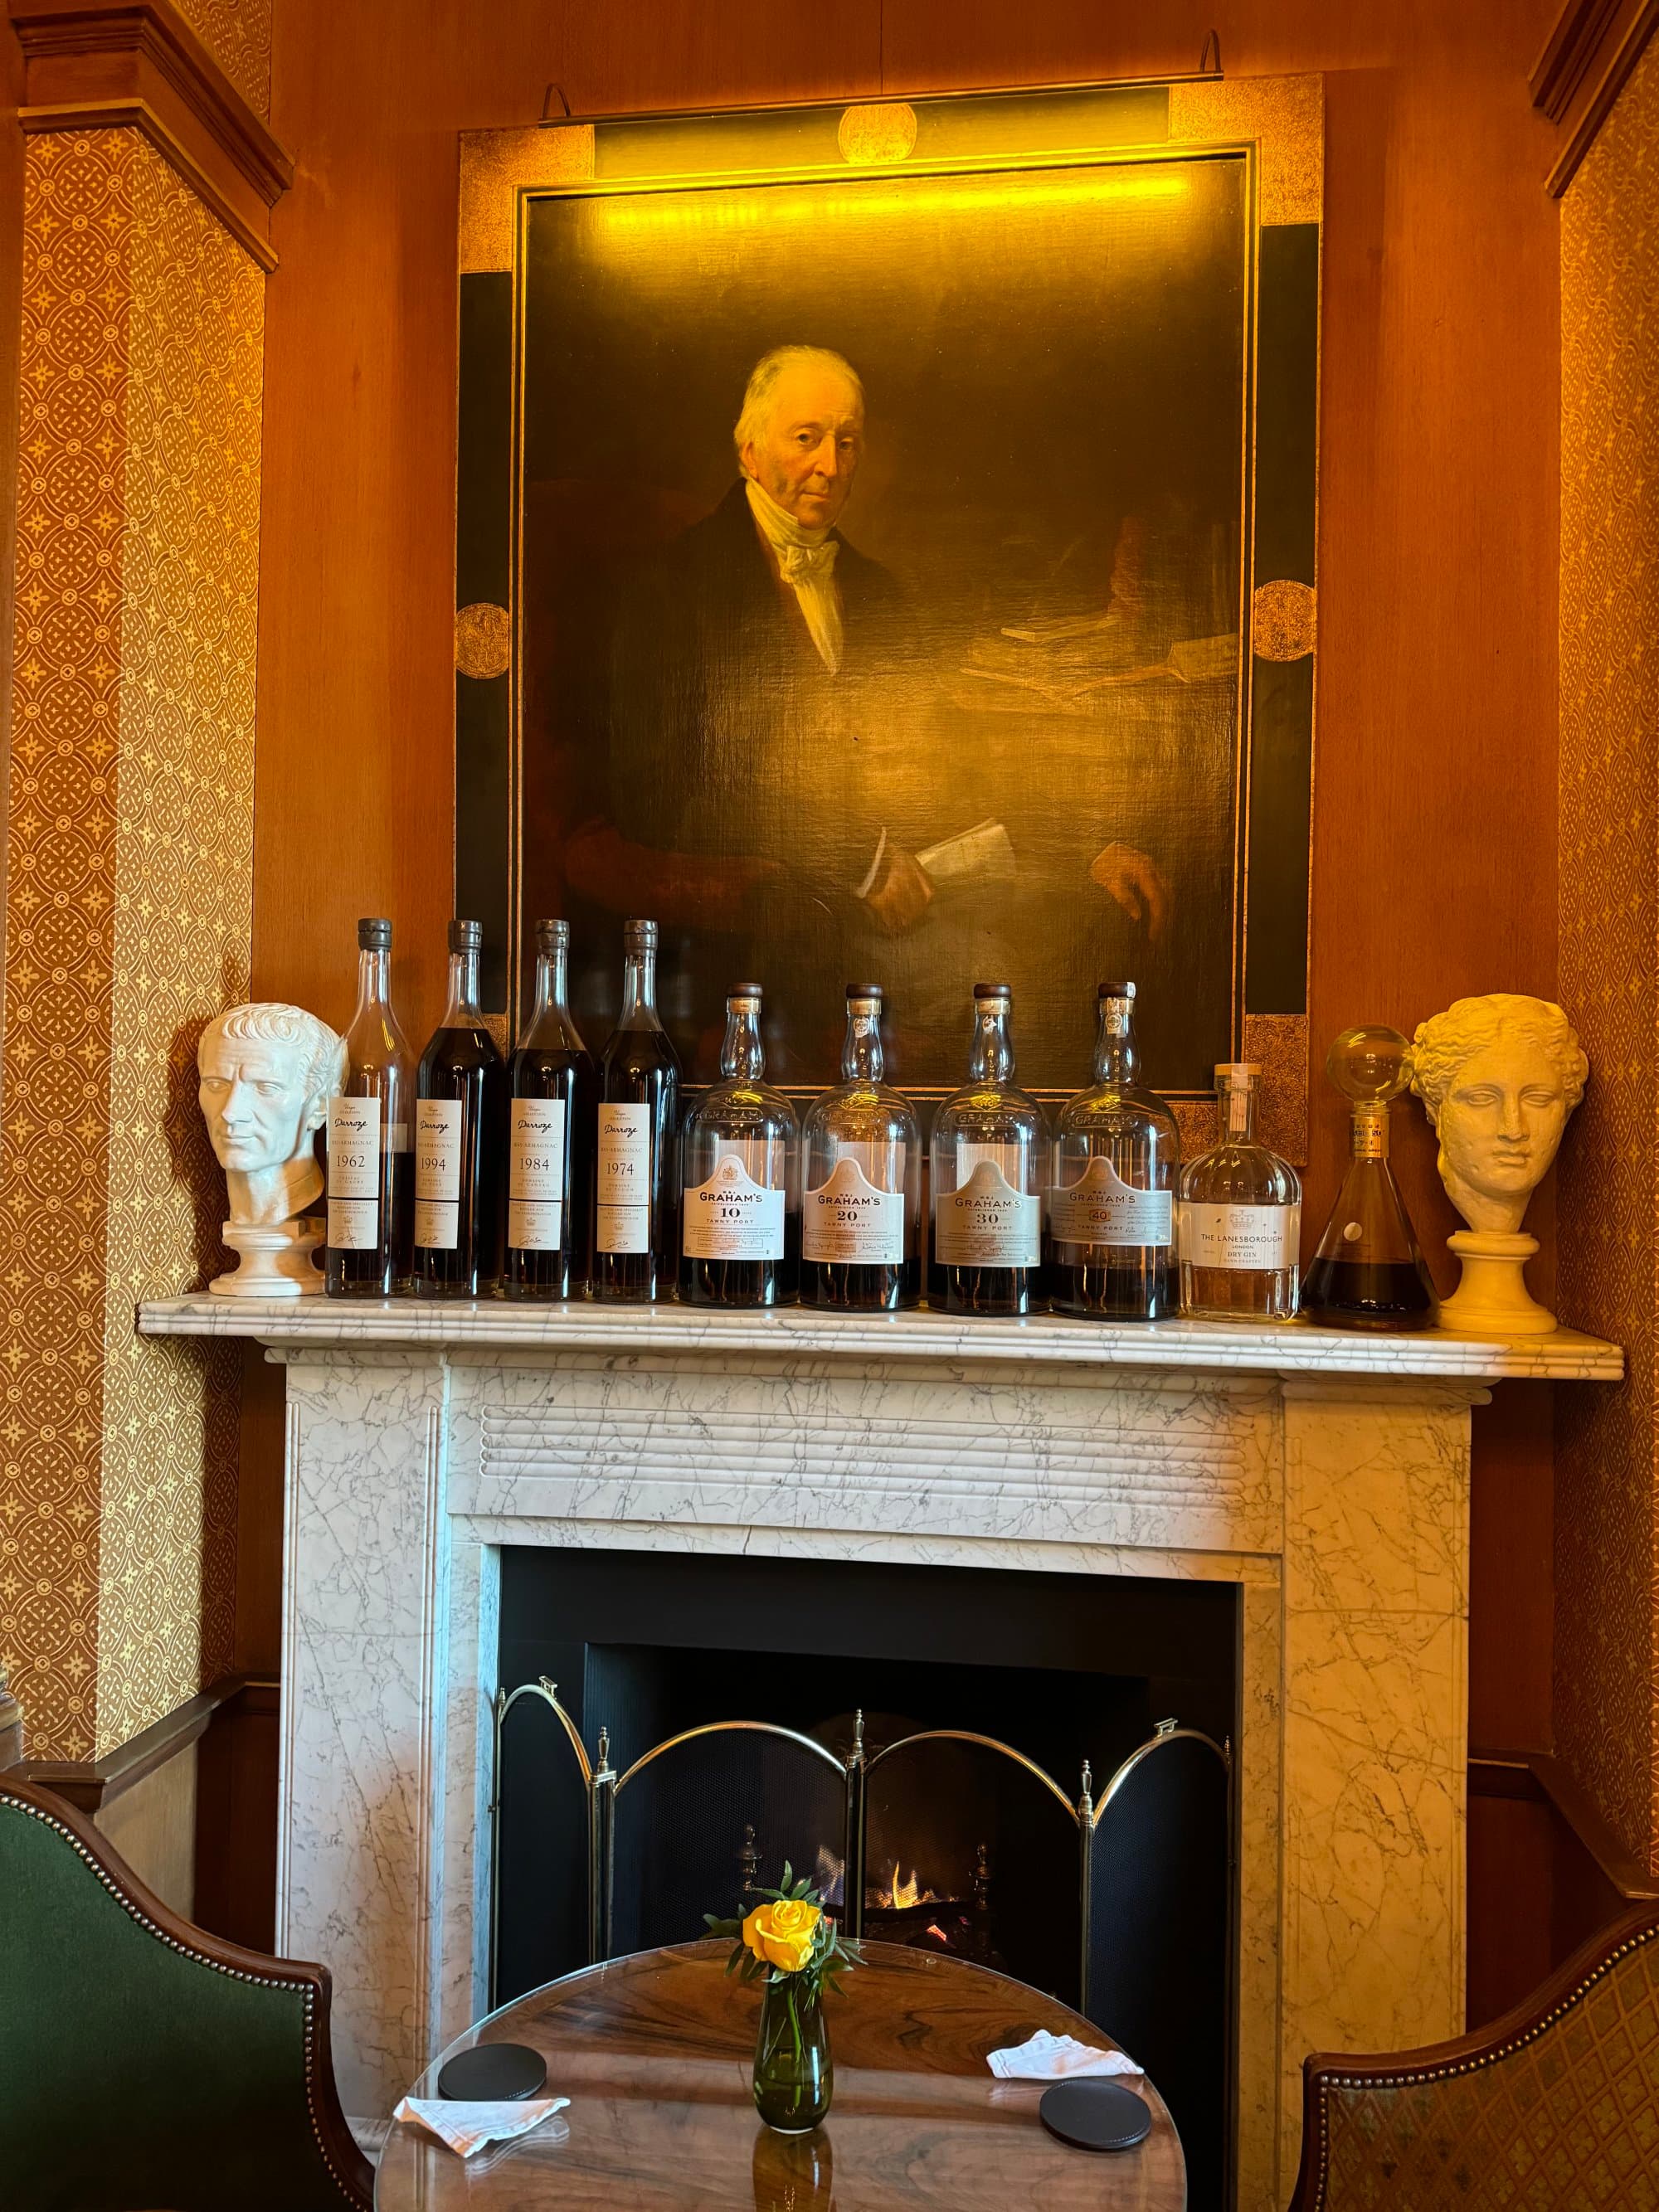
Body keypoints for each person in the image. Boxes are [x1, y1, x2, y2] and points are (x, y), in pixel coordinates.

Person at [562, 344, 1171, 1074]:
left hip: (907, 896)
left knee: (1087, 928)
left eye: (847, 442)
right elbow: (661, 793)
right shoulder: (669, 590)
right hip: (774, 927)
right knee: (1011, 983)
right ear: (750, 450)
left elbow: (955, 758)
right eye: (806, 437)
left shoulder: (880, 592)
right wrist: (858, 859)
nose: (829, 464)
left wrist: (1084, 846)